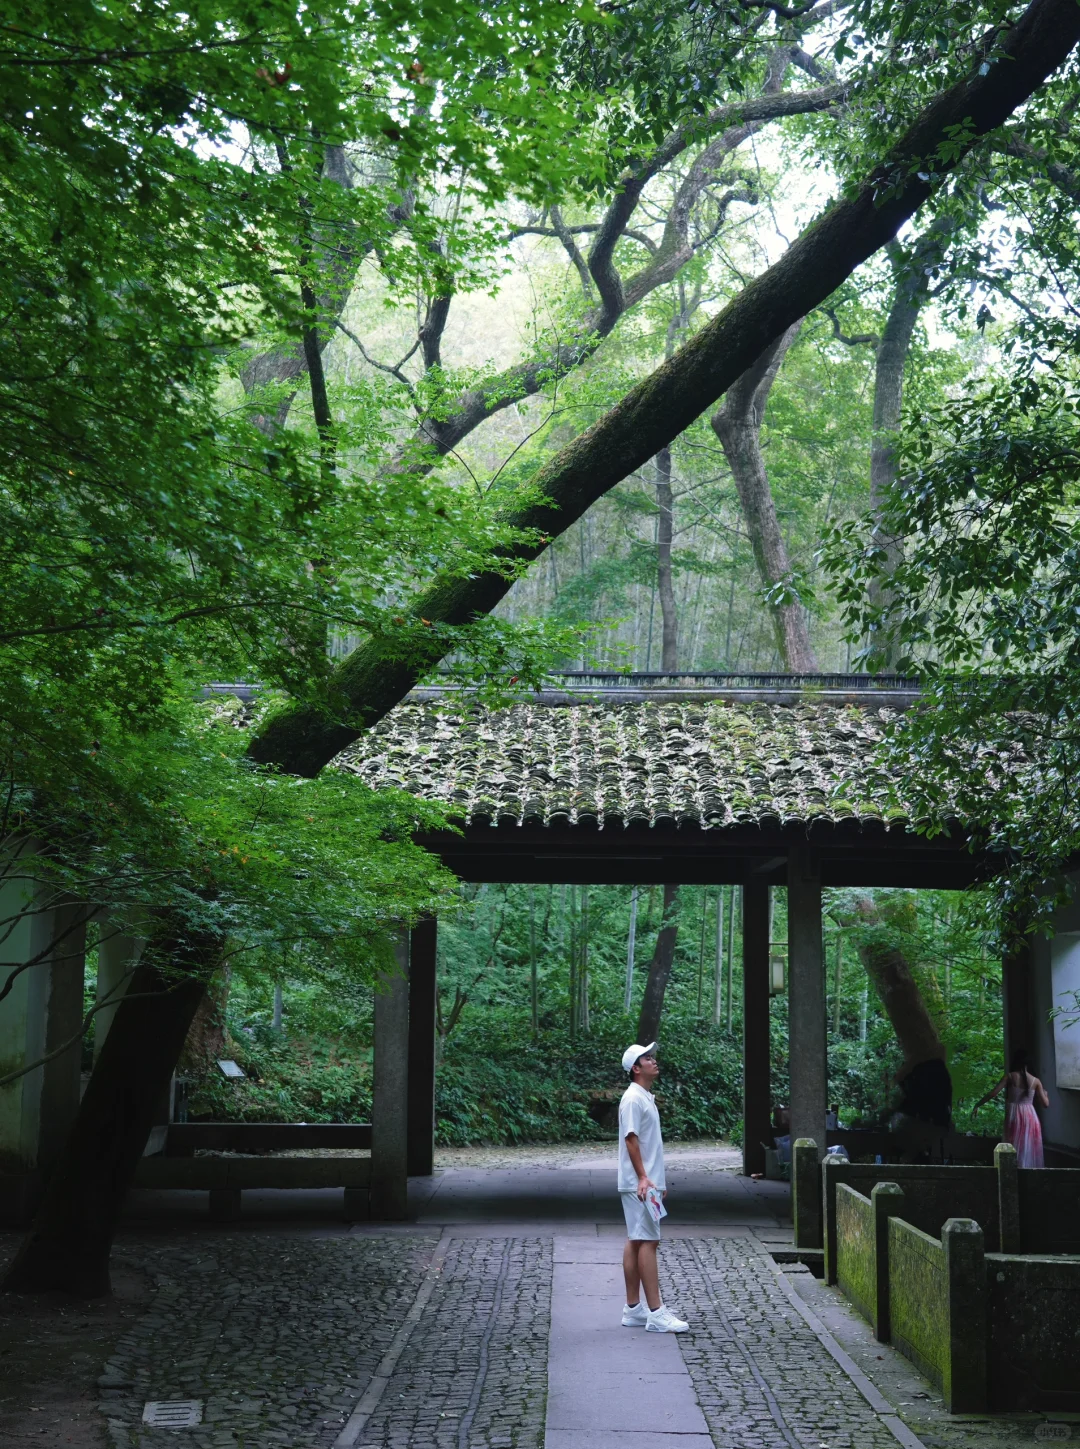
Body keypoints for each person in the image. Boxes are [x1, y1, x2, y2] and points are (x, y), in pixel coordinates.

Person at [617, 1042, 688, 1333]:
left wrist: (656, 1180)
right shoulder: (633, 1098)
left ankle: (633, 1308)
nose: (653, 1061)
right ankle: (656, 1313)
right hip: (640, 1184)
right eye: (647, 1058)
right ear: (636, 1068)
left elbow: (646, 1144)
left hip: (644, 1183)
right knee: (649, 1241)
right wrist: (645, 1179)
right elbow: (631, 1140)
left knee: (636, 1239)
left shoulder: (643, 1096)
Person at [973, 1048, 1049, 1168]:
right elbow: (1045, 1104)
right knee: (1028, 1146)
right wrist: (1045, 1094)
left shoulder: (1010, 1076)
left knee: (1013, 1145)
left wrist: (978, 1104)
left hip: (1014, 1116)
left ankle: (1012, 1172)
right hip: (1030, 1117)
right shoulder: (1036, 1081)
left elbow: (993, 1093)